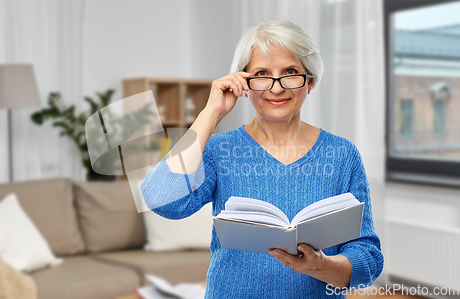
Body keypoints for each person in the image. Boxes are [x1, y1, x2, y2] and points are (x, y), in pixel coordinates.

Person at [140, 20, 384, 298]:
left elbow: (368, 259)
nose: (276, 88)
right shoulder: (219, 150)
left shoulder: (342, 154)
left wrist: (320, 266)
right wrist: (211, 113)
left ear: (310, 80)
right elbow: (162, 200)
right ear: (243, 82)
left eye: (291, 72)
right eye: (261, 74)